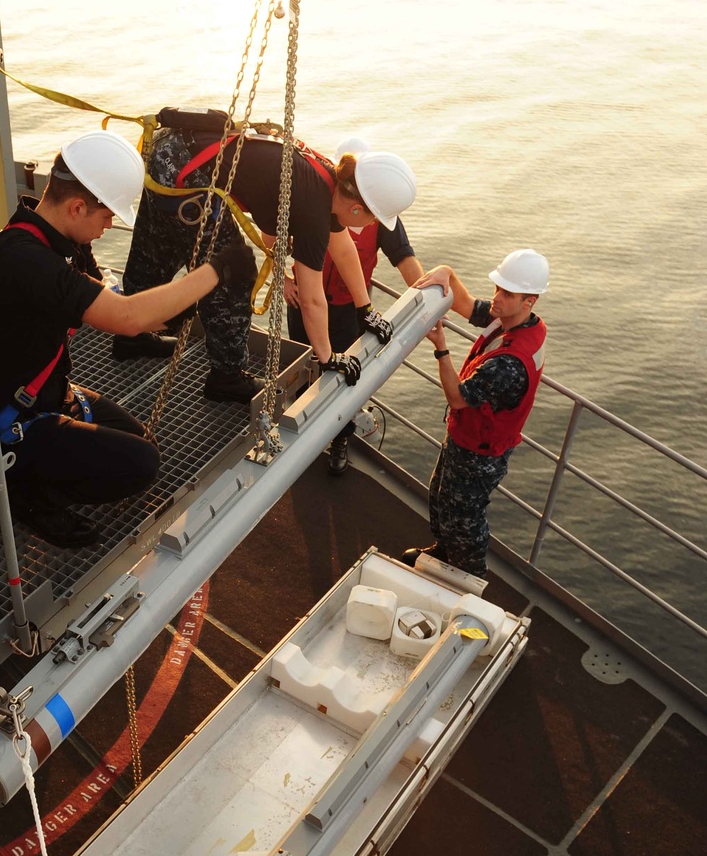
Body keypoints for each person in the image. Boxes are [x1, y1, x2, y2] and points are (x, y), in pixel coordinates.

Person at [0, 130, 257, 549]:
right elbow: (126, 318)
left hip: (49, 393)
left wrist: (175, 307)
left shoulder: (59, 240)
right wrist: (218, 270)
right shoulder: (24, 258)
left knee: (141, 444)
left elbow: (119, 306)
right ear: (77, 206)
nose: (108, 226)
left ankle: (40, 468)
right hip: (12, 419)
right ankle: (23, 494)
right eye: (106, 217)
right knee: (141, 465)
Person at [116, 109, 416, 402]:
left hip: (173, 151)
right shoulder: (315, 208)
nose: (374, 225)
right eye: (375, 218)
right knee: (232, 273)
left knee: (157, 239)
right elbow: (312, 299)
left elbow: (343, 250)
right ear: (356, 208)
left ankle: (132, 335)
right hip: (185, 171)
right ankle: (226, 378)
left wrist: (365, 309)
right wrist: (328, 358)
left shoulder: (329, 179)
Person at [405, 249, 550, 578]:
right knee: (441, 496)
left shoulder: (510, 364)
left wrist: (441, 347)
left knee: (466, 518)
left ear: (530, 301)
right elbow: (466, 303)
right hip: (467, 436)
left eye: (507, 293)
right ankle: (443, 552)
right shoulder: (514, 319)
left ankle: (470, 578)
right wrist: (445, 271)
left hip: (480, 453)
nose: (497, 298)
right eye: (498, 288)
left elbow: (457, 398)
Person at [285, 135, 423, 475]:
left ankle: (339, 439)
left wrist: (423, 299)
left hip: (346, 311)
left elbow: (404, 258)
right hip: (304, 302)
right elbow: (276, 239)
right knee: (304, 367)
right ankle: (300, 432)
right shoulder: (320, 206)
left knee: (346, 380)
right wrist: (284, 280)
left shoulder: (378, 216)